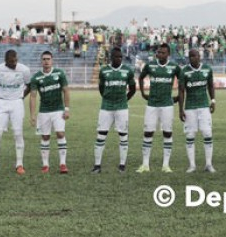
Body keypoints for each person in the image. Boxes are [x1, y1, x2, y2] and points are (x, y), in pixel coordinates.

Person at [91, 47, 136, 173]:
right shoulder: (104, 71)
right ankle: (97, 166)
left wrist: (124, 100)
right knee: (101, 135)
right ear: (111, 58)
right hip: (106, 107)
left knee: (123, 135)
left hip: (122, 108)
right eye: (116, 57)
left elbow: (133, 89)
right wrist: (107, 98)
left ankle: (122, 165)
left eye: (121, 57)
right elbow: (101, 88)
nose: (119, 59)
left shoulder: (127, 71)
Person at [137, 43, 181, 173]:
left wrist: (178, 96)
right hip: (152, 104)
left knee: (167, 133)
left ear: (168, 54)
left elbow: (182, 83)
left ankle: (166, 165)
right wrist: (143, 93)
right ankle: (145, 164)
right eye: (158, 52)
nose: (160, 54)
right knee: (148, 133)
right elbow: (140, 77)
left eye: (163, 53)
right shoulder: (150, 65)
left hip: (167, 105)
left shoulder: (174, 67)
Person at [0, 50, 31, 175]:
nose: (14, 64)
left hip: (17, 103)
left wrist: (21, 97)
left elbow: (30, 85)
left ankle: (19, 164)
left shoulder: (24, 70)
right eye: (11, 62)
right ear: (5, 61)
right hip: (2, 103)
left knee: (18, 133)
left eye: (16, 61)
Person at [29, 51, 71, 174]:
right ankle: (45, 165)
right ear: (41, 61)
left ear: (52, 60)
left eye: (48, 59)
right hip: (44, 111)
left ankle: (63, 164)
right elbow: (32, 96)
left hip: (58, 109)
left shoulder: (59, 73)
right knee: (45, 136)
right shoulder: (36, 77)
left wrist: (67, 109)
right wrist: (32, 115)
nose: (46, 61)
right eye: (44, 59)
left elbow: (66, 91)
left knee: (60, 134)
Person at [178, 49, 216, 173]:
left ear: (200, 56)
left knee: (207, 133)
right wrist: (180, 109)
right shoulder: (184, 71)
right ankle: (192, 165)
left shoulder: (207, 69)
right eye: (190, 56)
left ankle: (209, 164)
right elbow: (181, 91)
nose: (193, 58)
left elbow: (211, 85)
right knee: (190, 135)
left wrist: (213, 101)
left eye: (195, 55)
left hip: (204, 106)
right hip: (190, 108)